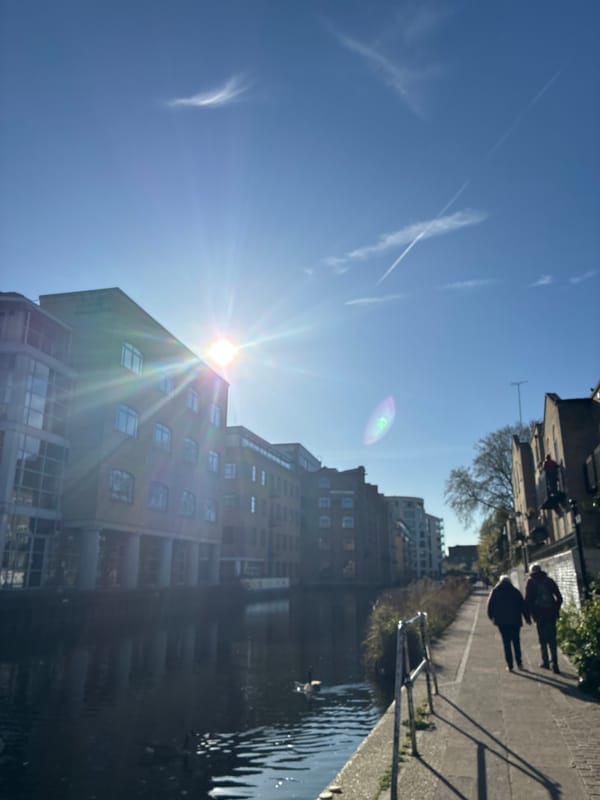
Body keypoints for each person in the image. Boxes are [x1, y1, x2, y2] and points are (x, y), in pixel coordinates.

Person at [487, 575, 531, 671]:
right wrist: (527, 618)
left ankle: (510, 665)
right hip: (515, 621)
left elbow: (490, 606)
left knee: (506, 643)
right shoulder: (515, 591)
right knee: (516, 642)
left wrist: (492, 617)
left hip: (501, 622)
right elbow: (522, 605)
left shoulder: (495, 591)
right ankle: (519, 663)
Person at [525, 563, 563, 673]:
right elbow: (559, 598)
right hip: (550, 614)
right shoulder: (549, 581)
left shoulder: (530, 582)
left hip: (539, 615)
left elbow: (528, 601)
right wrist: (555, 609)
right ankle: (555, 663)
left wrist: (530, 615)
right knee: (552, 639)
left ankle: (545, 662)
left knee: (542, 640)